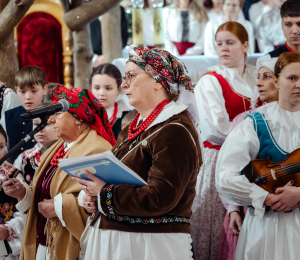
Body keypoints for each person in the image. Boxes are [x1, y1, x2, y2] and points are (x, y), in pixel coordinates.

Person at [73, 45, 202, 260]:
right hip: (124, 244)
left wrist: (105, 193)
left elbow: (161, 197)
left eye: (131, 76)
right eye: (124, 77)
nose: (124, 84)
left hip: (148, 247)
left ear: (158, 82)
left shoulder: (175, 131)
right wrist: (93, 197)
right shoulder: (133, 128)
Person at [2, 86, 115, 260]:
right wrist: (24, 193)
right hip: (44, 241)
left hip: (71, 247)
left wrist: (60, 207)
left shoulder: (98, 148)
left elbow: (102, 203)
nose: (52, 120)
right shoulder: (57, 147)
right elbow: (46, 190)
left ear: (78, 118)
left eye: (58, 113)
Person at [216, 52, 300, 260]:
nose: (299, 84)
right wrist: (265, 198)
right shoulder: (254, 123)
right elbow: (225, 176)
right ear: (276, 81)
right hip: (265, 226)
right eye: (292, 78)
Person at [191, 21, 260, 260]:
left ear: (245, 45)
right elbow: (214, 129)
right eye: (219, 43)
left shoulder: (257, 75)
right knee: (215, 226)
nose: (223, 48)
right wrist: (254, 139)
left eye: (230, 43)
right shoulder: (211, 80)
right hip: (220, 158)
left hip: (255, 160)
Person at [5, 66, 48, 163]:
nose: (28, 97)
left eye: (34, 91)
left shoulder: (54, 116)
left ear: (44, 89)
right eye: (22, 91)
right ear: (16, 90)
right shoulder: (8, 117)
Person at [13, 103, 59, 185]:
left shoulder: (66, 153)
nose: (40, 129)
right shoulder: (23, 157)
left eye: (46, 124)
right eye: (36, 124)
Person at [0, 125, 26, 260]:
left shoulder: (14, 175)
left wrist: (7, 230)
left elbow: (26, 213)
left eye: (0, 147)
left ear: (6, 145)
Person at [90, 64, 130, 140]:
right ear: (91, 88)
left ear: (119, 90)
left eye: (108, 88)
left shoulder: (126, 116)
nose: (102, 93)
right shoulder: (84, 115)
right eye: (97, 88)